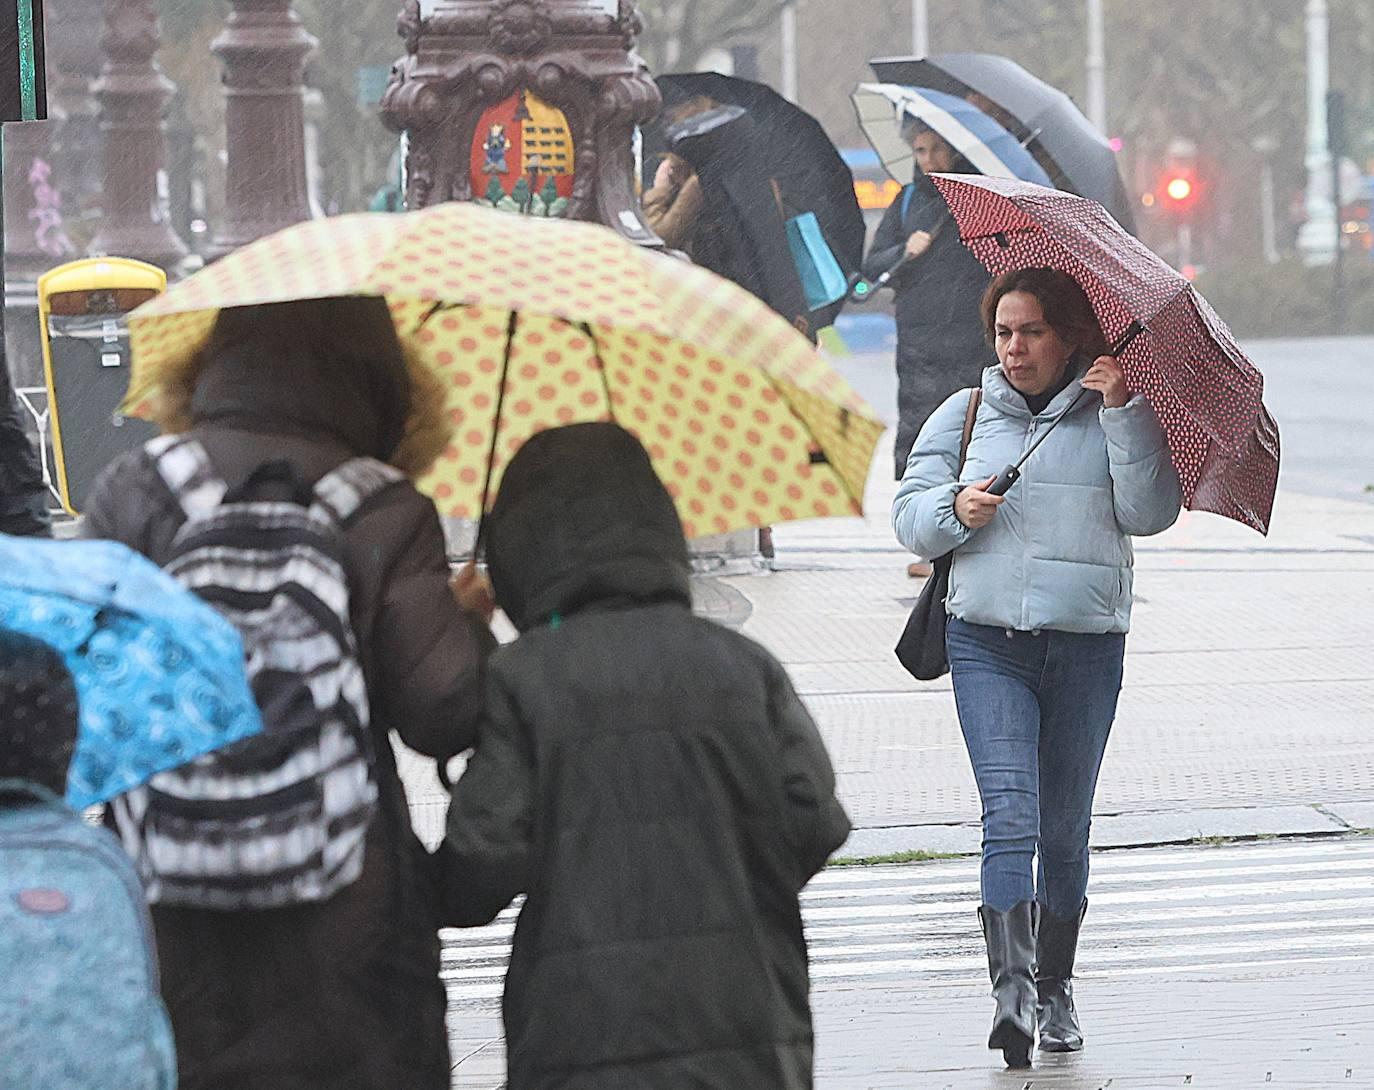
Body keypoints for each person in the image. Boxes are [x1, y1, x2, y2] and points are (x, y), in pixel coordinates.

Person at [80, 296, 496, 1090]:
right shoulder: (381, 504)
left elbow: (79, 699)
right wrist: (467, 625)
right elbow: (444, 713)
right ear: (381, 378)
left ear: (214, 358)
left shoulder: (135, 489)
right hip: (349, 911)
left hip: (170, 908)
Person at [431, 422, 851, 1089]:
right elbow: (815, 819)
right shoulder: (744, 667)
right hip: (746, 1025)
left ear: (522, 550)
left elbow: (480, 865)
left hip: (579, 1033)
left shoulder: (526, 677)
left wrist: (458, 639)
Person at [891, 268, 1181, 1068]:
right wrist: (956, 508)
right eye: (1002, 332)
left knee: (1065, 828)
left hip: (1087, 646)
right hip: (987, 643)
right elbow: (909, 517)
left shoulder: (1116, 409)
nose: (1014, 349)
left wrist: (1122, 410)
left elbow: (1150, 514)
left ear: (1070, 338)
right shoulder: (967, 411)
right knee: (1009, 815)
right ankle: (1010, 990)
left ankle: (1056, 985)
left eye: (1031, 332)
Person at [864, 119, 993, 577]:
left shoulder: (980, 201)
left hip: (973, 342)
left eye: (937, 149)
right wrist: (906, 252)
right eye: (920, 150)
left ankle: (963, 538)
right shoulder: (907, 202)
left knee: (972, 438)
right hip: (919, 342)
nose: (929, 160)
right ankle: (929, 542)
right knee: (923, 439)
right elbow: (874, 266)